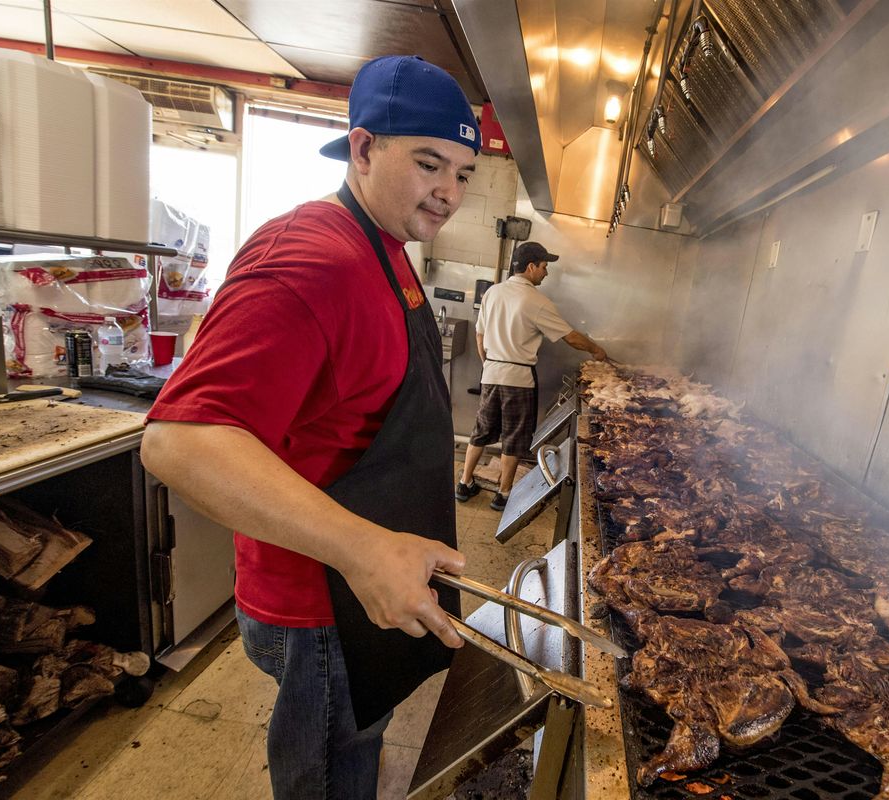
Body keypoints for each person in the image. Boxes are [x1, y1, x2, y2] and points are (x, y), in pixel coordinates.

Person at [140, 55, 480, 799]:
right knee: (326, 774)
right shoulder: (311, 257)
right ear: (363, 149)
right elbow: (180, 439)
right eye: (430, 164)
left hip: (365, 592)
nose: (448, 192)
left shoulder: (385, 249)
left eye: (463, 174)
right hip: (320, 606)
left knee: (356, 747)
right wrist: (365, 549)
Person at [456, 241, 607, 510]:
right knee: (514, 438)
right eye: (544, 267)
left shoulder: (493, 293)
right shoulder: (536, 301)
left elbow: (479, 335)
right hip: (519, 380)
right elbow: (570, 337)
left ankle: (464, 483)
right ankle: (502, 494)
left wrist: (490, 365)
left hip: (490, 373)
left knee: (481, 431)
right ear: (531, 267)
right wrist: (596, 350)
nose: (546, 273)